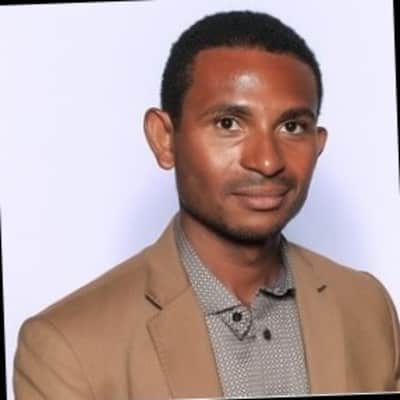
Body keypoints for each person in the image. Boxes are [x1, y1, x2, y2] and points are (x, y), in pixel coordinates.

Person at [13, 10, 400, 400]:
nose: (267, 161)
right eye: (228, 123)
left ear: (318, 144)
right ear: (164, 139)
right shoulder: (69, 348)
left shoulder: (368, 307)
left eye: (291, 127)